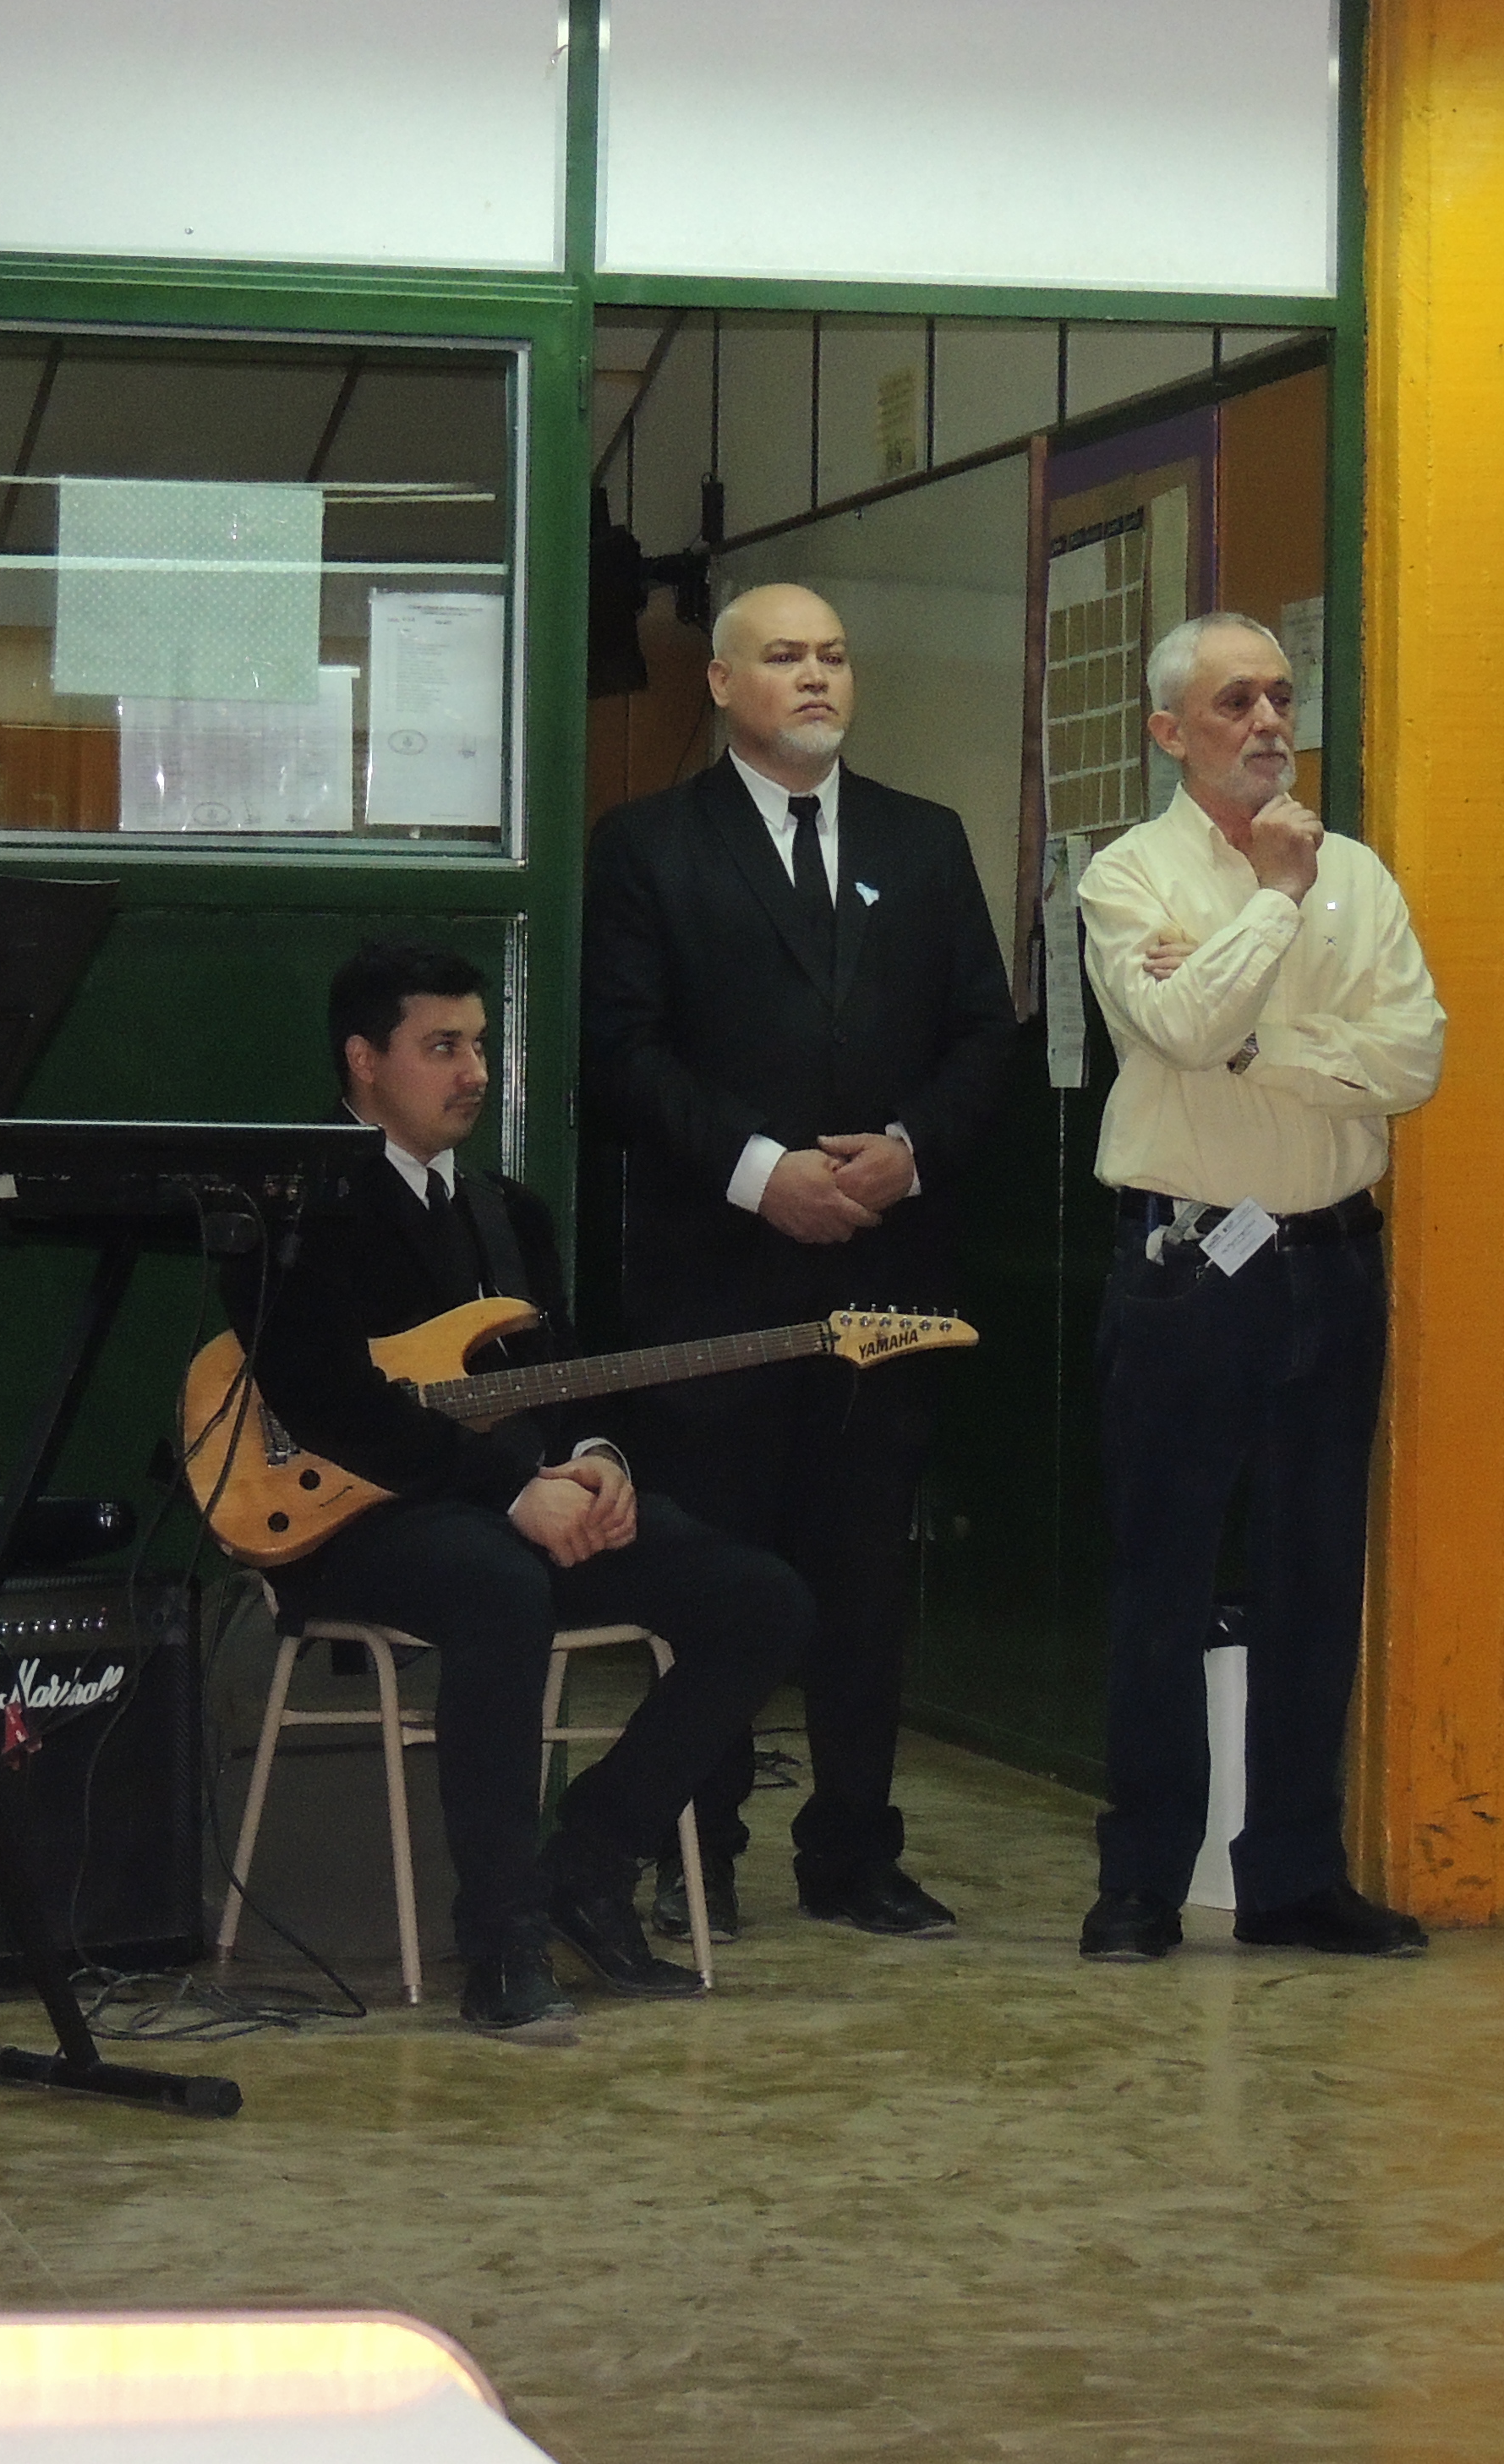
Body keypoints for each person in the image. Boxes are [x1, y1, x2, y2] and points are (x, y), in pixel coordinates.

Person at [245, 944, 811, 2036]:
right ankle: (498, 1937)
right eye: (441, 1047)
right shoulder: (298, 1211)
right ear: (363, 1061)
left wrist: (599, 1460)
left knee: (762, 1598)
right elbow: (330, 1403)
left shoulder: (512, 1215)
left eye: (478, 1046)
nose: (472, 1072)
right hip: (353, 1519)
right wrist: (512, 1494)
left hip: (510, 1505)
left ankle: (589, 1868)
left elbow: (558, 1377)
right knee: (499, 1587)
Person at [578, 583, 1019, 1941]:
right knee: (721, 1577)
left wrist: (905, 1150)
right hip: (714, 1285)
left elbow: (982, 1041)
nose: (816, 677)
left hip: (887, 1282)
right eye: (784, 657)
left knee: (865, 1581)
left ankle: (854, 1853)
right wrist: (766, 1175)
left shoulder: (925, 841)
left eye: (833, 654)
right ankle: (695, 1854)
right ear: (720, 685)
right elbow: (622, 1053)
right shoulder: (649, 847)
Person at [1070, 613, 1446, 1965]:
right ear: (1172, 732)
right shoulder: (1127, 879)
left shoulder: (1363, 874)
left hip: (1334, 1264)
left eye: (1283, 696)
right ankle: (1141, 1883)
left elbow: (1414, 1059)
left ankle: (1293, 1877)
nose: (1271, 723)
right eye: (1237, 701)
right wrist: (1273, 907)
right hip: (1186, 1270)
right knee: (1162, 1582)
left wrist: (1257, 1046)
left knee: (1313, 1578)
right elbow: (1172, 1029)